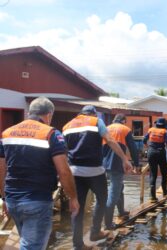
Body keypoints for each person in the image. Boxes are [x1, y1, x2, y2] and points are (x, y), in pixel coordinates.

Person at [0, 97, 79, 250]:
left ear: (30, 113)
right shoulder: (51, 134)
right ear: (49, 115)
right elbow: (63, 171)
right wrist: (73, 197)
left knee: (26, 241)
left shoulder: (7, 133)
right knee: (32, 246)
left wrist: (3, 196)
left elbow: (1, 169)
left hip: (12, 200)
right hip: (37, 201)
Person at [63, 105, 132, 250]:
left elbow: (63, 151)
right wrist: (124, 159)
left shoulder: (67, 125)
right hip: (95, 171)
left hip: (74, 172)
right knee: (102, 199)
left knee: (77, 207)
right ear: (94, 114)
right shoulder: (96, 121)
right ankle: (95, 232)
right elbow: (110, 140)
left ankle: (77, 245)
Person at [103, 114, 140, 230]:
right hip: (116, 165)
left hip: (103, 165)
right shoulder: (125, 129)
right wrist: (136, 163)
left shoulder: (105, 128)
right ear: (123, 121)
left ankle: (121, 211)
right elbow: (133, 148)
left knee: (119, 187)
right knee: (113, 194)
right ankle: (108, 224)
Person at [143, 117, 167, 202]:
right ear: (164, 125)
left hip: (151, 152)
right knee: (163, 173)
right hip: (160, 153)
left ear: (156, 124)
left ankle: (152, 196)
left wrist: (147, 146)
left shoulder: (150, 130)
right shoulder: (164, 131)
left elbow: (144, 140)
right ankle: (165, 192)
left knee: (153, 174)